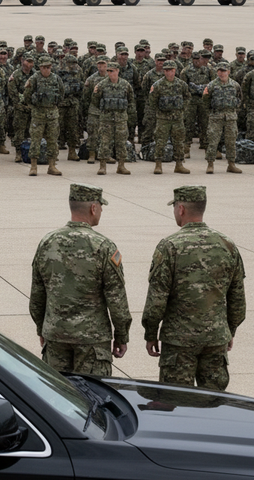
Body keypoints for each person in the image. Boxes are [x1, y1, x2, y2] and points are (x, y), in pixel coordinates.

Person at [142, 186, 246, 391]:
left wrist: (151, 333)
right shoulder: (227, 245)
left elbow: (157, 300)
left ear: (181, 209)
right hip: (215, 339)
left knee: (177, 401)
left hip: (178, 343)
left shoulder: (170, 246)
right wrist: (229, 330)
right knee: (214, 401)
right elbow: (237, 298)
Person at [30, 183, 131, 376]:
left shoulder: (47, 242)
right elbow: (117, 300)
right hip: (92, 342)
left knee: (57, 392)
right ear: (94, 208)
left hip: (56, 336)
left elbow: (37, 295)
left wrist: (42, 329)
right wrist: (121, 335)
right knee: (92, 392)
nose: (101, 211)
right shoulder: (103, 247)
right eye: (101, 206)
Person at [91, 63, 135, 175]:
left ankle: (121, 166)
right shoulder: (101, 85)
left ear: (118, 71)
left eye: (113, 71)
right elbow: (95, 100)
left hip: (121, 119)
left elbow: (131, 100)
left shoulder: (125, 85)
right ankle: (102, 166)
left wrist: (127, 115)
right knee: (104, 142)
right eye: (109, 71)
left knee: (121, 143)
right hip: (106, 119)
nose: (110, 73)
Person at [23, 56, 64, 176]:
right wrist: (34, 107)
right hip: (38, 114)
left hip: (52, 114)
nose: (46, 69)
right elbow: (27, 95)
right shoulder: (34, 78)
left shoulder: (56, 79)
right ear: (40, 68)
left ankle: (52, 166)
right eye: (44, 67)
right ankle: (33, 166)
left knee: (53, 141)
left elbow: (61, 94)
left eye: (48, 67)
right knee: (35, 140)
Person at [149, 60, 191, 174]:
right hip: (163, 119)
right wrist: (159, 112)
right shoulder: (157, 85)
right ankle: (158, 164)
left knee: (179, 142)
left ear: (175, 71)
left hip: (177, 119)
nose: (169, 73)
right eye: (166, 70)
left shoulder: (181, 84)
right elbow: (152, 101)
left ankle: (179, 164)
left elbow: (187, 98)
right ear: (164, 71)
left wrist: (182, 109)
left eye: (171, 70)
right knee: (160, 141)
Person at [203, 63, 243, 174]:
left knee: (231, 141)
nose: (221, 73)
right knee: (213, 140)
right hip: (216, 117)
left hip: (230, 117)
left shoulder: (235, 85)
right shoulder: (211, 85)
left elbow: (239, 98)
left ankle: (231, 164)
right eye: (219, 71)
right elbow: (205, 101)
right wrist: (212, 113)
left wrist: (234, 110)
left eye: (224, 71)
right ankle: (210, 164)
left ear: (228, 72)